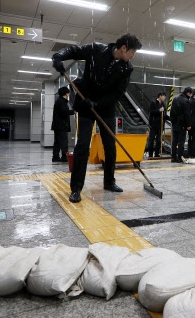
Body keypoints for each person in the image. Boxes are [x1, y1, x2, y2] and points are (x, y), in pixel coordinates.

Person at [52, 33, 142, 203]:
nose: (132, 56)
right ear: (123, 48)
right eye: (132, 52)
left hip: (105, 107)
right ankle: (76, 188)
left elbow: (118, 93)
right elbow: (74, 50)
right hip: (85, 104)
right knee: (82, 146)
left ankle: (109, 181)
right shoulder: (96, 50)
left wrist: (97, 104)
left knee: (110, 146)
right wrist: (59, 56)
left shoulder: (127, 68)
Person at [51, 86, 75, 163]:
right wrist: (73, 112)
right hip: (61, 125)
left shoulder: (59, 101)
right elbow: (64, 112)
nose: (68, 94)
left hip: (58, 125)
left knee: (57, 142)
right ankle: (65, 157)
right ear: (66, 93)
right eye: (68, 93)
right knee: (64, 142)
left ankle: (55, 157)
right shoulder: (62, 101)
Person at [169, 87, 192, 163]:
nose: (190, 95)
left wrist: (173, 121)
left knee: (174, 141)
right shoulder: (186, 101)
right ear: (188, 93)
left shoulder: (175, 99)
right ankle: (179, 157)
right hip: (182, 124)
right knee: (181, 142)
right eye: (190, 94)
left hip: (175, 124)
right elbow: (187, 114)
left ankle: (173, 157)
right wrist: (188, 124)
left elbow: (171, 112)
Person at [146, 92, 170, 158]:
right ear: (160, 96)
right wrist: (158, 110)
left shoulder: (163, 104)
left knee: (159, 140)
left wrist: (170, 119)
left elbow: (164, 114)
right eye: (164, 96)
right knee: (151, 139)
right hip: (154, 124)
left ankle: (157, 153)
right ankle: (150, 154)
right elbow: (151, 111)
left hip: (160, 124)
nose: (164, 98)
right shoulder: (153, 102)